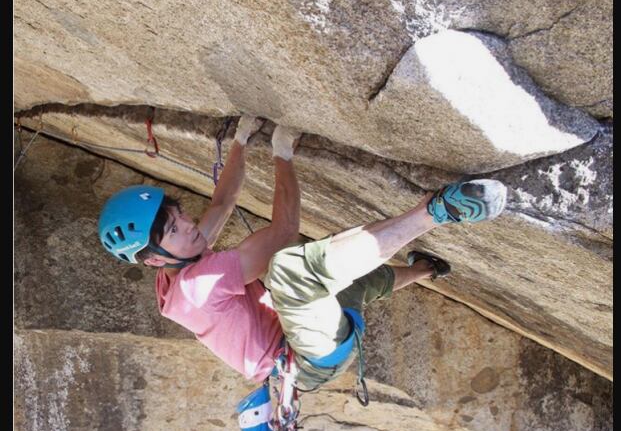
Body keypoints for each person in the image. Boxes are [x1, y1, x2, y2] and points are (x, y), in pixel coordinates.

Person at [98, 115, 506, 394]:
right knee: (292, 271)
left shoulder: (176, 261)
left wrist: (241, 138)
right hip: (306, 360)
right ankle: (438, 211)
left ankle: (425, 269)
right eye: (174, 229)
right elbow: (283, 233)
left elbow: (222, 204)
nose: (188, 224)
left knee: (356, 282)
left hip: (311, 334)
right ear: (154, 259)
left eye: (179, 215)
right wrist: (282, 152)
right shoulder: (197, 287)